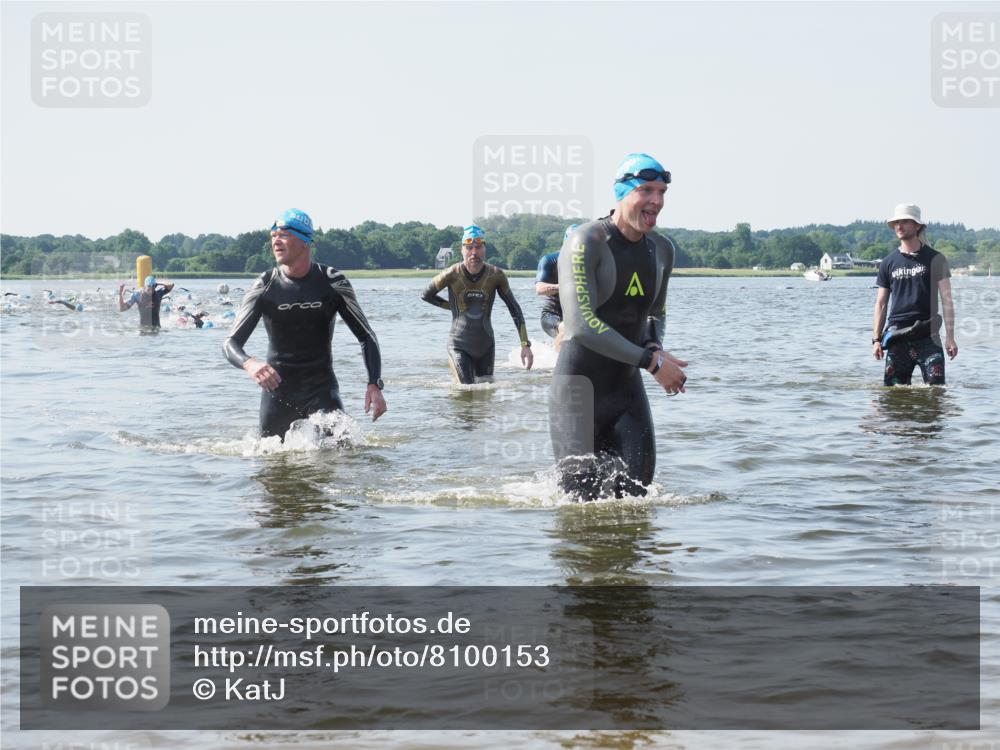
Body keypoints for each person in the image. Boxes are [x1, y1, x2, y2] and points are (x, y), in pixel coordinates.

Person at [550, 153, 688, 501]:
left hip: (627, 393)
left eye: (662, 191)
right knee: (580, 513)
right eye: (646, 190)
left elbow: (655, 313)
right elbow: (581, 325)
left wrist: (655, 345)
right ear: (622, 193)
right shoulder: (586, 241)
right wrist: (651, 363)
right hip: (578, 394)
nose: (656, 201)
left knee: (638, 503)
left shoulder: (662, 249)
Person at [223, 208, 387, 439]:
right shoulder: (265, 285)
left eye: (283, 235)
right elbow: (230, 343)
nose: (276, 242)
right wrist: (249, 364)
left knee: (342, 458)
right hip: (277, 394)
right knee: (273, 466)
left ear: (304, 241)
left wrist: (374, 384)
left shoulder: (332, 282)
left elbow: (366, 335)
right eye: (273, 236)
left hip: (322, 392)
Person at [421, 224, 533, 383]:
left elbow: (514, 309)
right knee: (467, 389)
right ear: (462, 250)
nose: (474, 252)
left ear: (484, 249)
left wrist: (525, 344)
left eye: (478, 247)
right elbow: (426, 294)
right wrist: (452, 307)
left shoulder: (496, 275)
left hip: (486, 347)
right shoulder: (451, 274)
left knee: (486, 395)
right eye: (469, 248)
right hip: (459, 345)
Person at [873, 203, 957, 386]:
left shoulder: (936, 259)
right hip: (897, 337)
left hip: (929, 336)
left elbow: (947, 300)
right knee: (894, 396)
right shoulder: (888, 263)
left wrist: (950, 336)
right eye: (896, 222)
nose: (899, 226)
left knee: (936, 393)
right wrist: (876, 339)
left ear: (917, 225)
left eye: (904, 221)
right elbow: (881, 303)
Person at [535, 224, 578, 345]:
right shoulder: (550, 260)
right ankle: (558, 362)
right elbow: (540, 289)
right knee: (565, 329)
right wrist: (564, 286)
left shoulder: (592, 261)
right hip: (553, 314)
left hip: (580, 315)